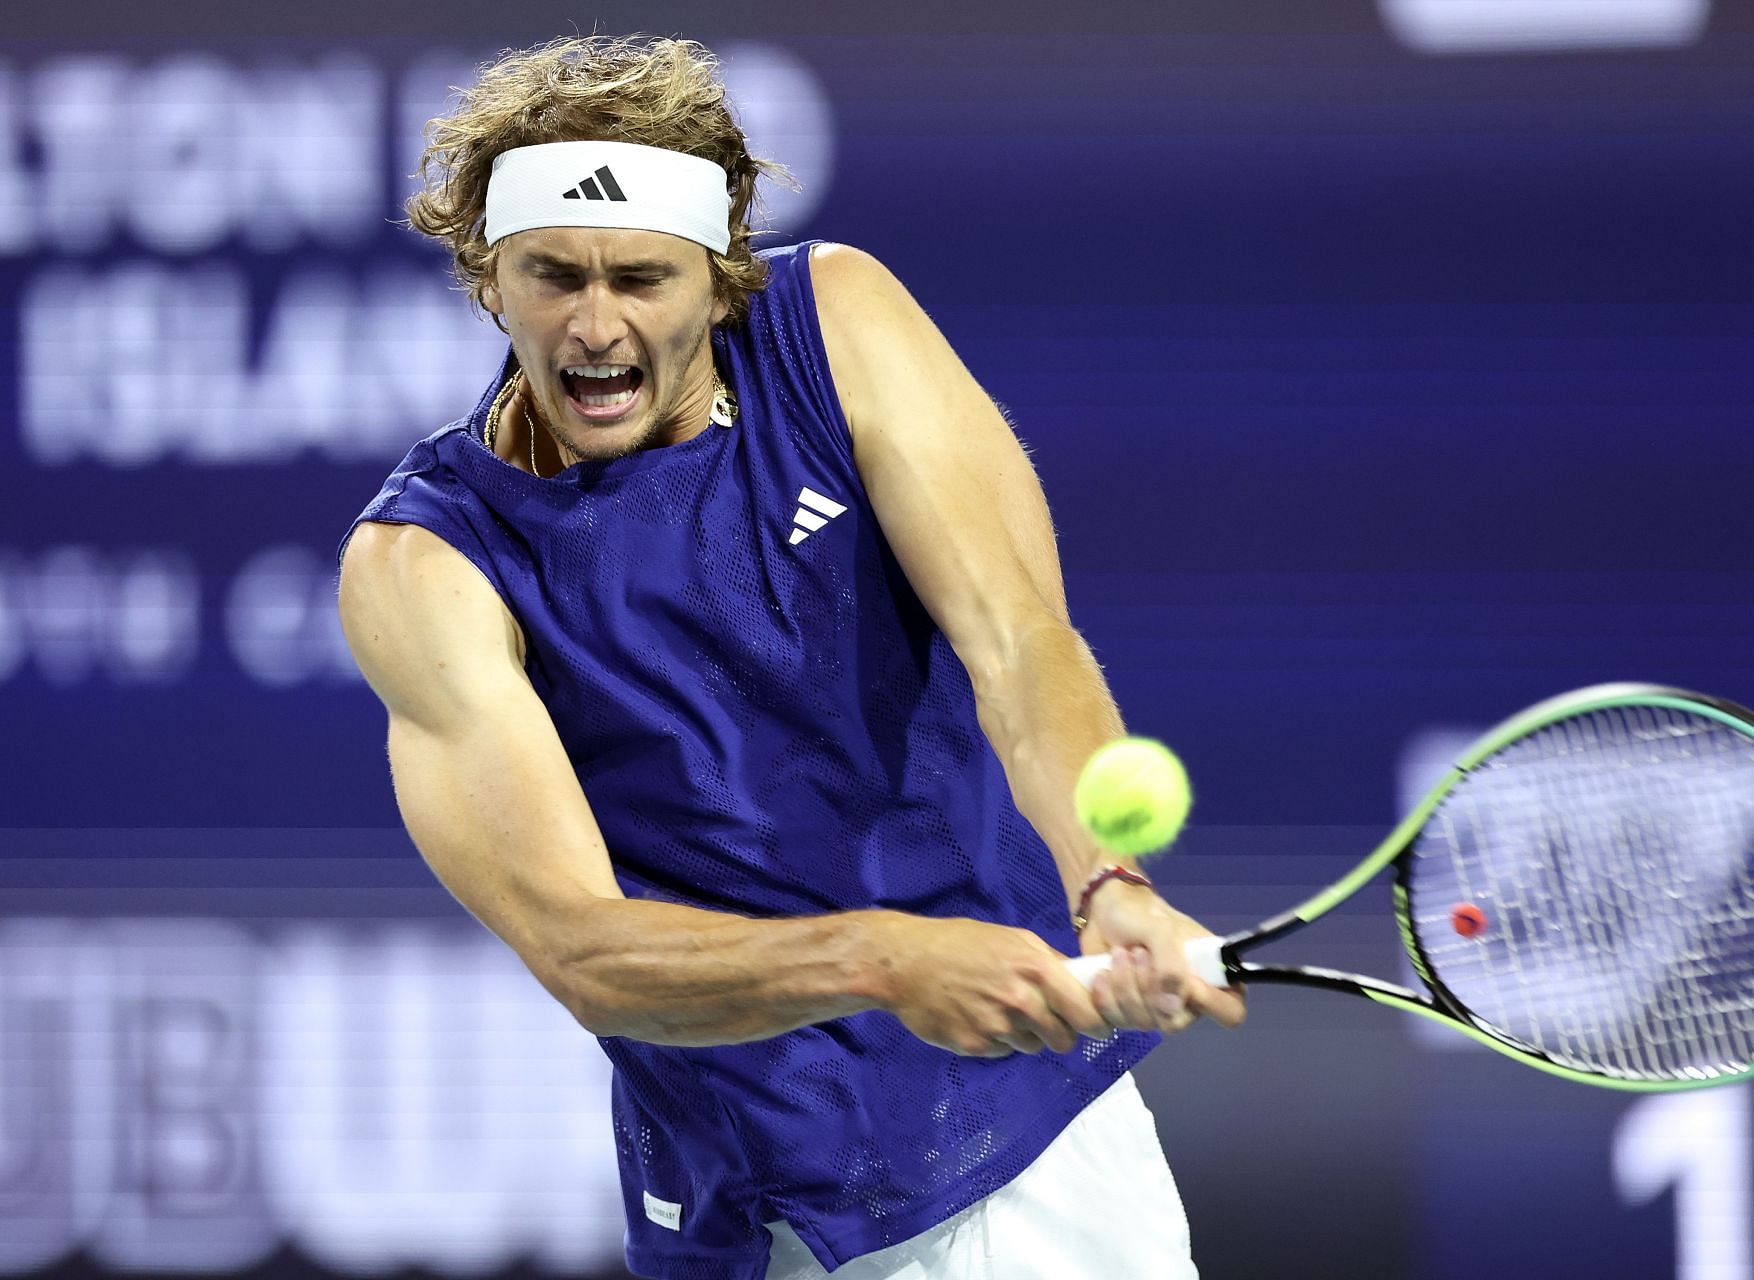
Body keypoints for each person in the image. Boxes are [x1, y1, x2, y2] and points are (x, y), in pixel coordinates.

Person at [335, 34, 1244, 1280]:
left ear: (720, 279)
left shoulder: (839, 324)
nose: (595, 328)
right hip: (745, 1210)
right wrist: (884, 958)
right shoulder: (425, 567)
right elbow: (586, 952)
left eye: (642, 279)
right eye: (554, 274)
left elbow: (1020, 642)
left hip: (1025, 1165)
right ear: (489, 277)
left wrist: (1109, 880)